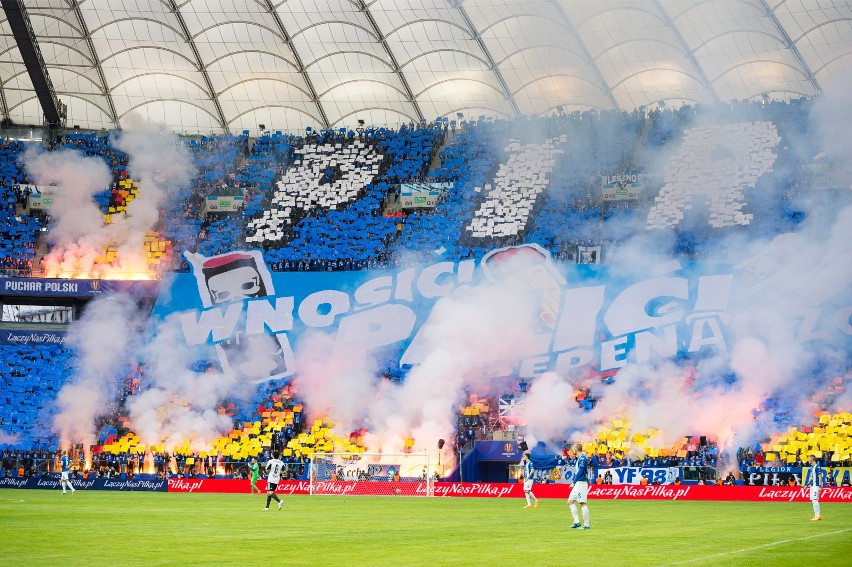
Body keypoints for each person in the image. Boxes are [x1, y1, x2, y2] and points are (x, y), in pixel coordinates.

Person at [567, 443, 591, 529]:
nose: (573, 450)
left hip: (581, 483)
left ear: (576, 449)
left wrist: (573, 482)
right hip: (578, 484)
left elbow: (580, 471)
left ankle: (586, 524)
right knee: (570, 501)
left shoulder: (582, 458)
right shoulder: (579, 458)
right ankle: (577, 522)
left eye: (573, 449)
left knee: (582, 503)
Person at [807, 454, 826, 521]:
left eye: (809, 459)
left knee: (815, 500)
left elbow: (820, 476)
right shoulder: (812, 467)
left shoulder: (817, 466)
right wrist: (808, 484)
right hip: (812, 486)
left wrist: (820, 486)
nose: (808, 460)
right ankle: (816, 515)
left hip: (816, 486)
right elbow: (812, 477)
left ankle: (818, 515)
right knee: (813, 500)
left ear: (812, 459)